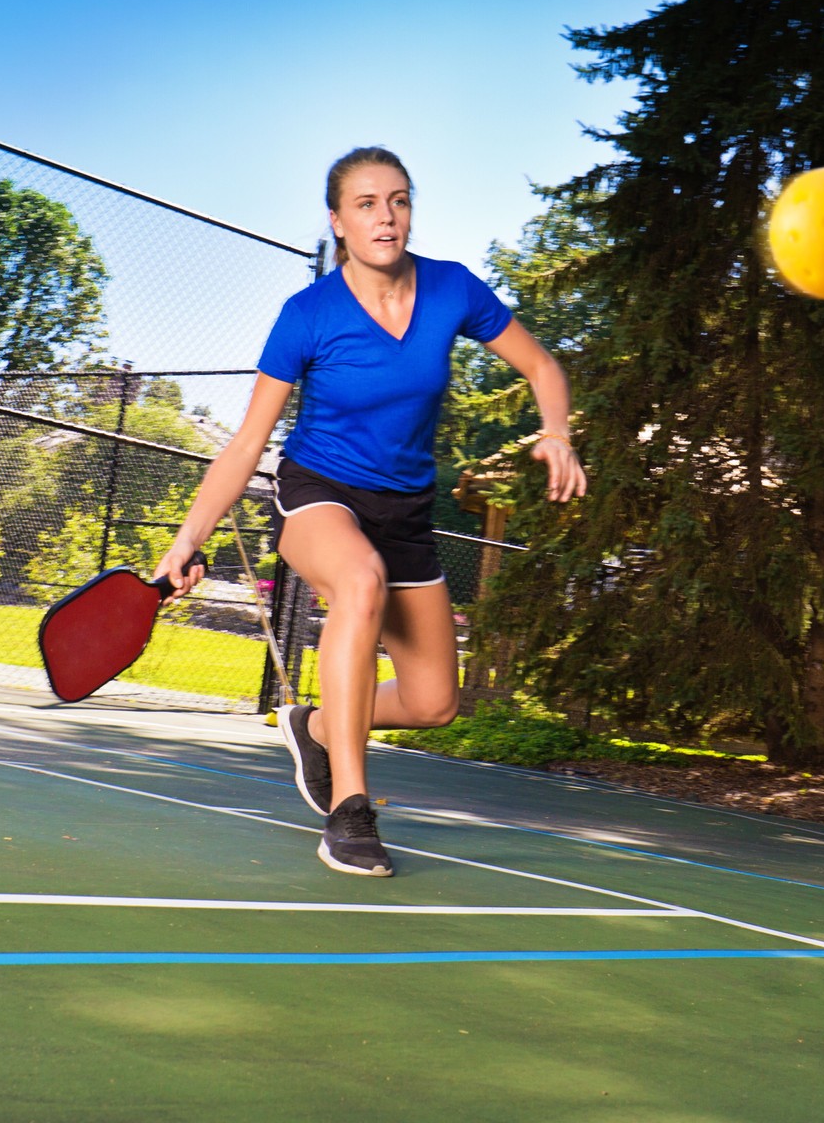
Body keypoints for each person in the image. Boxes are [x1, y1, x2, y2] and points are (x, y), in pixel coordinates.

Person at [153, 146, 586, 876]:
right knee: (358, 581)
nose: (386, 216)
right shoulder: (308, 315)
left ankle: (317, 727)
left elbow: (542, 365)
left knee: (434, 703)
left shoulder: (452, 290)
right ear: (338, 223)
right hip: (320, 492)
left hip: (407, 510)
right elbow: (248, 441)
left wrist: (557, 434)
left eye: (399, 200)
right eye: (366, 204)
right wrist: (186, 538)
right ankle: (350, 811)